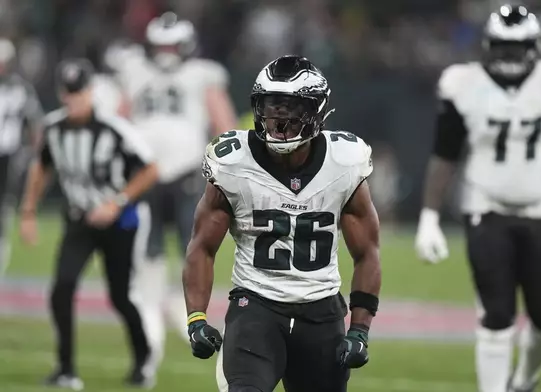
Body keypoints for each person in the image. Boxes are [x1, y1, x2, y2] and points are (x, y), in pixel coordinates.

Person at [414, 5, 541, 392]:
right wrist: (429, 216)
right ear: (488, 46)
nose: (509, 56)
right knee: (496, 314)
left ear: (535, 47)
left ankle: (524, 380)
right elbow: (445, 154)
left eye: (517, 47)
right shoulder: (465, 84)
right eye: (503, 47)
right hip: (485, 210)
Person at [183, 55, 381, 392]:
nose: (279, 119)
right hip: (255, 308)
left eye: (292, 108)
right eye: (272, 106)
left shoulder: (344, 163)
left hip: (321, 313)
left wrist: (360, 328)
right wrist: (196, 318)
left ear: (316, 111)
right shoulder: (232, 163)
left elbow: (367, 252)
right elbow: (202, 246)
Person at [19, 58, 160, 389]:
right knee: (62, 288)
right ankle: (66, 368)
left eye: (78, 92)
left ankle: (143, 360)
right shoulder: (54, 128)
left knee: (121, 296)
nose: (73, 100)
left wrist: (117, 202)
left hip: (120, 221)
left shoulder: (114, 128)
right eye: (68, 93)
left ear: (91, 91)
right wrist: (28, 211)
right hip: (80, 219)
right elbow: (41, 167)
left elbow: (150, 170)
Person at [115, 12, 238, 348]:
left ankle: (191, 316)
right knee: (147, 247)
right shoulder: (134, 71)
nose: (166, 52)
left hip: (187, 171)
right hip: (145, 173)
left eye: (172, 45)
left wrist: (226, 169)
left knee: (195, 245)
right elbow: (118, 119)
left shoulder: (203, 75)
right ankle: (153, 313)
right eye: (161, 45)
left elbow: (224, 124)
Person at [0, 37, 44, 275]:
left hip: (7, 156)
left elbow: (35, 125)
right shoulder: (20, 88)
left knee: (3, 211)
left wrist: (32, 153)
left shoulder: (20, 89)